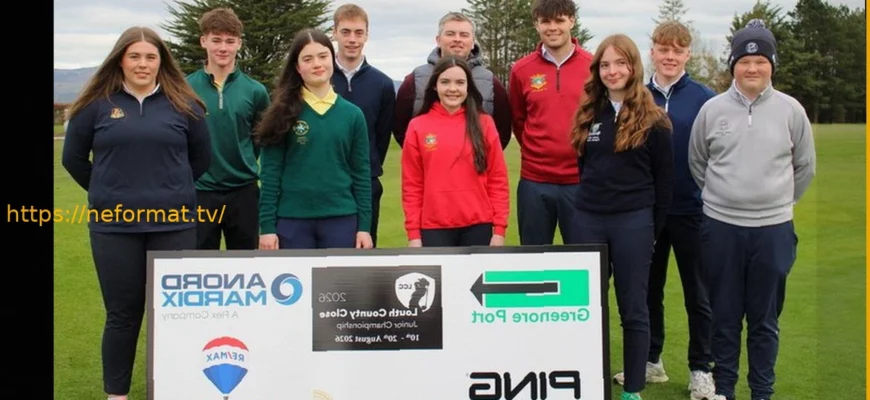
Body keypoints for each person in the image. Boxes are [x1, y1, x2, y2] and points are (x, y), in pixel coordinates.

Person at [61, 26, 212, 400]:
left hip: (174, 227)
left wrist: (170, 192)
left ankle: (175, 389)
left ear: (161, 62)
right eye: (134, 56)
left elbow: (201, 160)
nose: (142, 64)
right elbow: (73, 159)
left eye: (150, 57)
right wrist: (107, 192)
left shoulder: (186, 106)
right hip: (114, 229)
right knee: (122, 315)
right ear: (120, 60)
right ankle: (117, 394)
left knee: (175, 316)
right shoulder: (95, 106)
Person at [688, 19, 816, 400]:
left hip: (773, 231)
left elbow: (805, 168)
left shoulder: (791, 111)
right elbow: (698, 163)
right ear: (733, 65)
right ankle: (724, 390)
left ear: (772, 64)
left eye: (761, 61)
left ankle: (762, 392)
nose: (753, 68)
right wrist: (726, 199)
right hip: (721, 229)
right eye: (744, 61)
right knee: (725, 317)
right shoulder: (712, 110)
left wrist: (777, 203)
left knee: (764, 319)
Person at [612, 20, 718, 399]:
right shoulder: (635, 96)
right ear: (652, 51)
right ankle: (651, 360)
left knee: (698, 294)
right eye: (663, 49)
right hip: (645, 212)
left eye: (678, 50)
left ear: (687, 54)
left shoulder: (705, 98)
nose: (670, 56)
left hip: (692, 210)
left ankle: (700, 368)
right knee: (647, 291)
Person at [567, 34, 674, 400]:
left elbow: (664, 184)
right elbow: (585, 169)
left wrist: (650, 230)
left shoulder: (655, 120)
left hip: (634, 222)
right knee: (586, 305)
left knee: (633, 308)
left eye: (619, 63)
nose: (612, 71)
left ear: (633, 67)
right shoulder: (588, 114)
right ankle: (585, 378)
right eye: (605, 65)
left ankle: (633, 388)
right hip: (588, 220)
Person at [255, 28, 373, 250]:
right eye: (307, 59)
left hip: (341, 219)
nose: (317, 64)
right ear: (297, 67)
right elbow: (270, 174)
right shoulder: (280, 113)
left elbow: (361, 174)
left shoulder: (353, 115)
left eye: (322, 56)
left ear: (332, 59)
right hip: (292, 221)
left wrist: (364, 227)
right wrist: (267, 227)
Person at [401, 56, 509, 247]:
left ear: (468, 87)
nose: (453, 88)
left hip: (479, 225)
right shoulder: (418, 126)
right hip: (433, 228)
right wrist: (414, 235)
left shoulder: (485, 123)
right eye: (445, 82)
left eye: (460, 82)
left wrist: (499, 229)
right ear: (435, 86)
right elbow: (412, 185)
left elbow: (497, 179)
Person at [508, 0, 593, 245]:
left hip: (581, 181)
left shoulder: (593, 66)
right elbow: (518, 120)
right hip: (534, 181)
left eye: (559, 20)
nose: (552, 27)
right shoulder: (521, 69)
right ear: (536, 24)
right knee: (533, 258)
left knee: (582, 258)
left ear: (572, 21)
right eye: (546, 21)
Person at [187, 7, 271, 250]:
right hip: (200, 191)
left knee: (246, 265)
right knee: (200, 266)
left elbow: (258, 139)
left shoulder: (256, 91)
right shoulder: (185, 88)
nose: (223, 48)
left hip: (244, 192)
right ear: (203, 41)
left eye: (230, 41)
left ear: (239, 44)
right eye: (216, 40)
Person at [394, 11, 512, 150]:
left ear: (473, 42)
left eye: (464, 35)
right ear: (438, 40)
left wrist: (479, 157)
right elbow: (400, 128)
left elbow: (502, 133)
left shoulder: (490, 82)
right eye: (450, 34)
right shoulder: (415, 79)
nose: (457, 39)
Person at [330, 3, 396, 248]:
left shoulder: (383, 84)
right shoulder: (319, 77)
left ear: (367, 35)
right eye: (345, 32)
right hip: (327, 181)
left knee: (365, 251)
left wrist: (368, 167)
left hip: (366, 182)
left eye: (359, 33)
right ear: (334, 33)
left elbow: (381, 136)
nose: (352, 39)